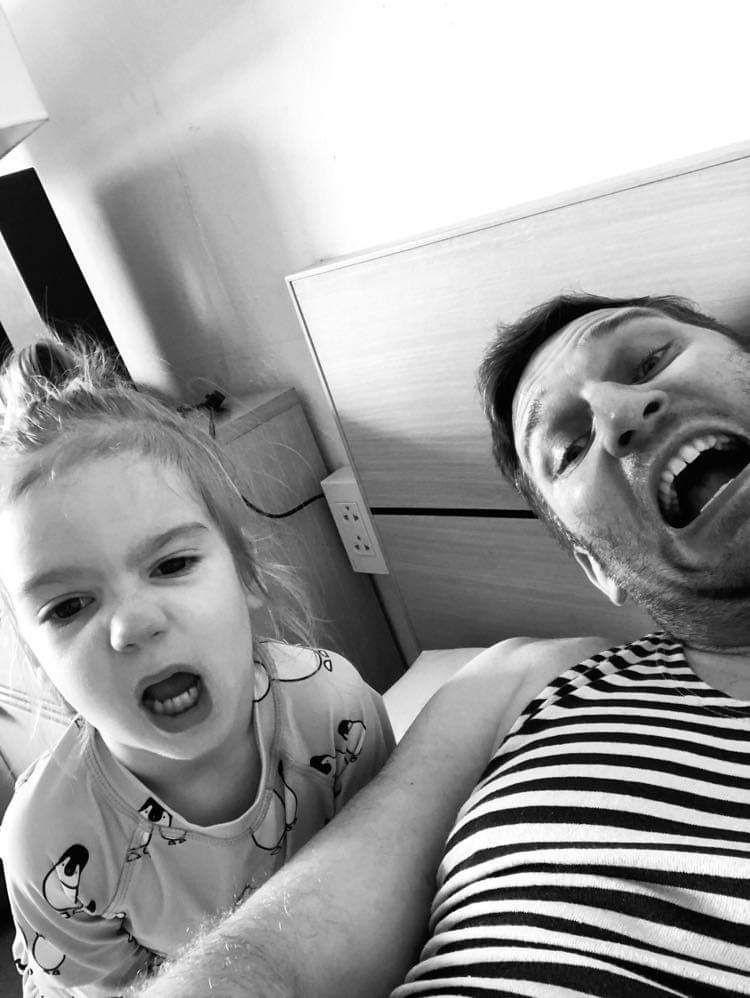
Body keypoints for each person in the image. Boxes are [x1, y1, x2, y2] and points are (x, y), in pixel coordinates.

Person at [130, 290, 750, 998]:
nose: (618, 415)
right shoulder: (522, 683)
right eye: (569, 448)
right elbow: (279, 950)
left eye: (651, 359)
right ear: (598, 567)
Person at [0, 336, 394, 997]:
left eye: (172, 565)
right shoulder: (49, 841)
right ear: (39, 663)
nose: (133, 624)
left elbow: (392, 866)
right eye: (68, 606)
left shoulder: (334, 710)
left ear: (247, 577)